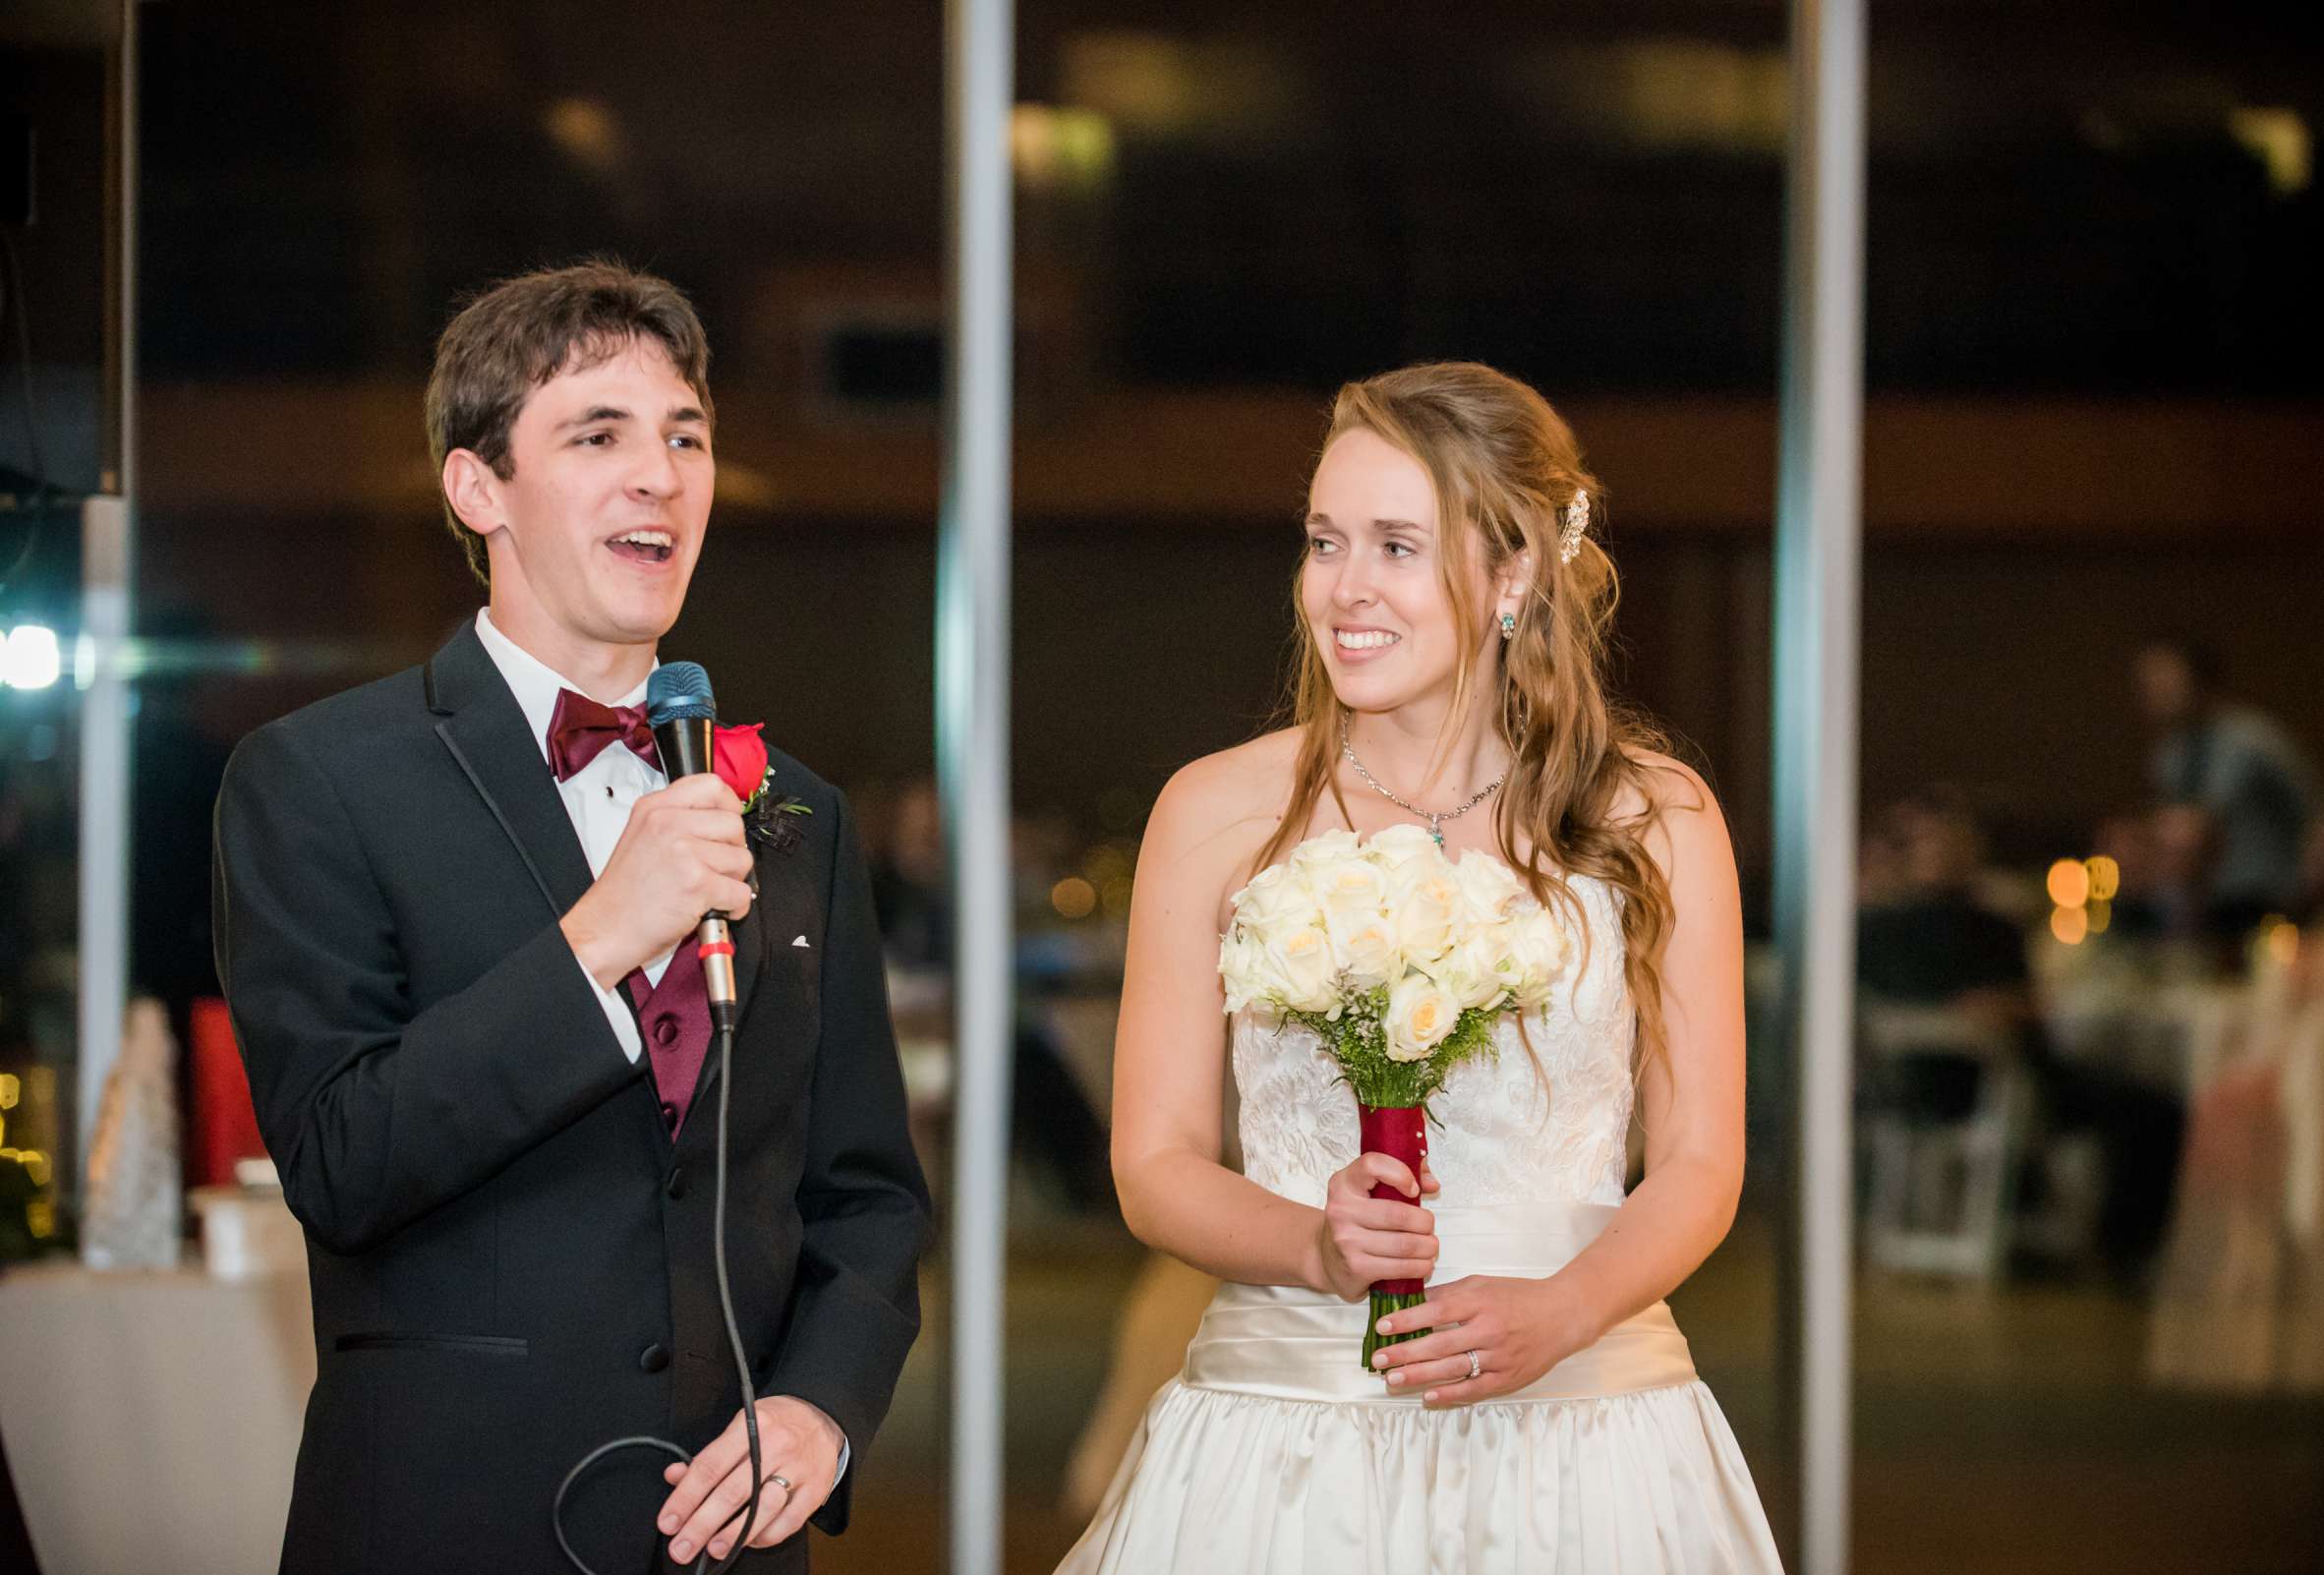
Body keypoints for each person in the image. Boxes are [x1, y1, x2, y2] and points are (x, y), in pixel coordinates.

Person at [211, 262, 929, 1574]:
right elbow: (339, 1158)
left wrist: (824, 1404)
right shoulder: (317, 779)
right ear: (477, 488)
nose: (658, 472)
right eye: (597, 434)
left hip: (727, 1535)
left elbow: (867, 1193)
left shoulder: (797, 811)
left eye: (685, 436)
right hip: (445, 1519)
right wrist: (601, 936)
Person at [1059, 363, 1780, 1573]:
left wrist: (1569, 1308)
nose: (1345, 590)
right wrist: (1313, 1246)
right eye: (1325, 540)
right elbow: (1155, 1161)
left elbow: (1702, 1161)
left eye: (1398, 545)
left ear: (1514, 573)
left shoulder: (1657, 819)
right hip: (1285, 1452)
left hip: (1586, 1441)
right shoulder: (1215, 811)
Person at [2133, 636, 2323, 941]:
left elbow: (2319, 811)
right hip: (2207, 908)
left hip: (2270, 901)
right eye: (2147, 680)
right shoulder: (2170, 754)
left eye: (2164, 675)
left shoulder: (2253, 739)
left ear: (2198, 678)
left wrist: (2311, 891)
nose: (2154, 688)